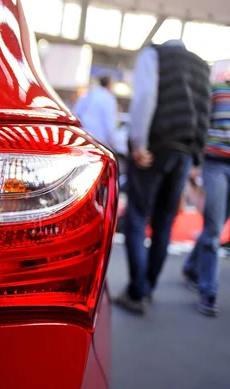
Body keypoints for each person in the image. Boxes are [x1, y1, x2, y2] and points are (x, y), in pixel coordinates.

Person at [115, 40, 211, 314]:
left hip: (156, 146)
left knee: (135, 216)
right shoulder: (201, 65)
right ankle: (147, 288)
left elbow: (146, 96)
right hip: (184, 151)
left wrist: (139, 142)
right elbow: (204, 112)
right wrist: (196, 158)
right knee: (164, 223)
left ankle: (136, 292)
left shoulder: (153, 53)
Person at [182, 81, 230, 317]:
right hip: (215, 165)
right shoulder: (217, 90)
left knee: (217, 225)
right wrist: (194, 162)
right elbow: (200, 123)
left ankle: (191, 266)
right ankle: (208, 292)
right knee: (213, 230)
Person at [73, 75, 118, 148]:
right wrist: (112, 142)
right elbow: (109, 124)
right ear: (109, 85)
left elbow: (76, 113)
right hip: (99, 140)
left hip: (83, 135)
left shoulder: (88, 93)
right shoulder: (109, 99)